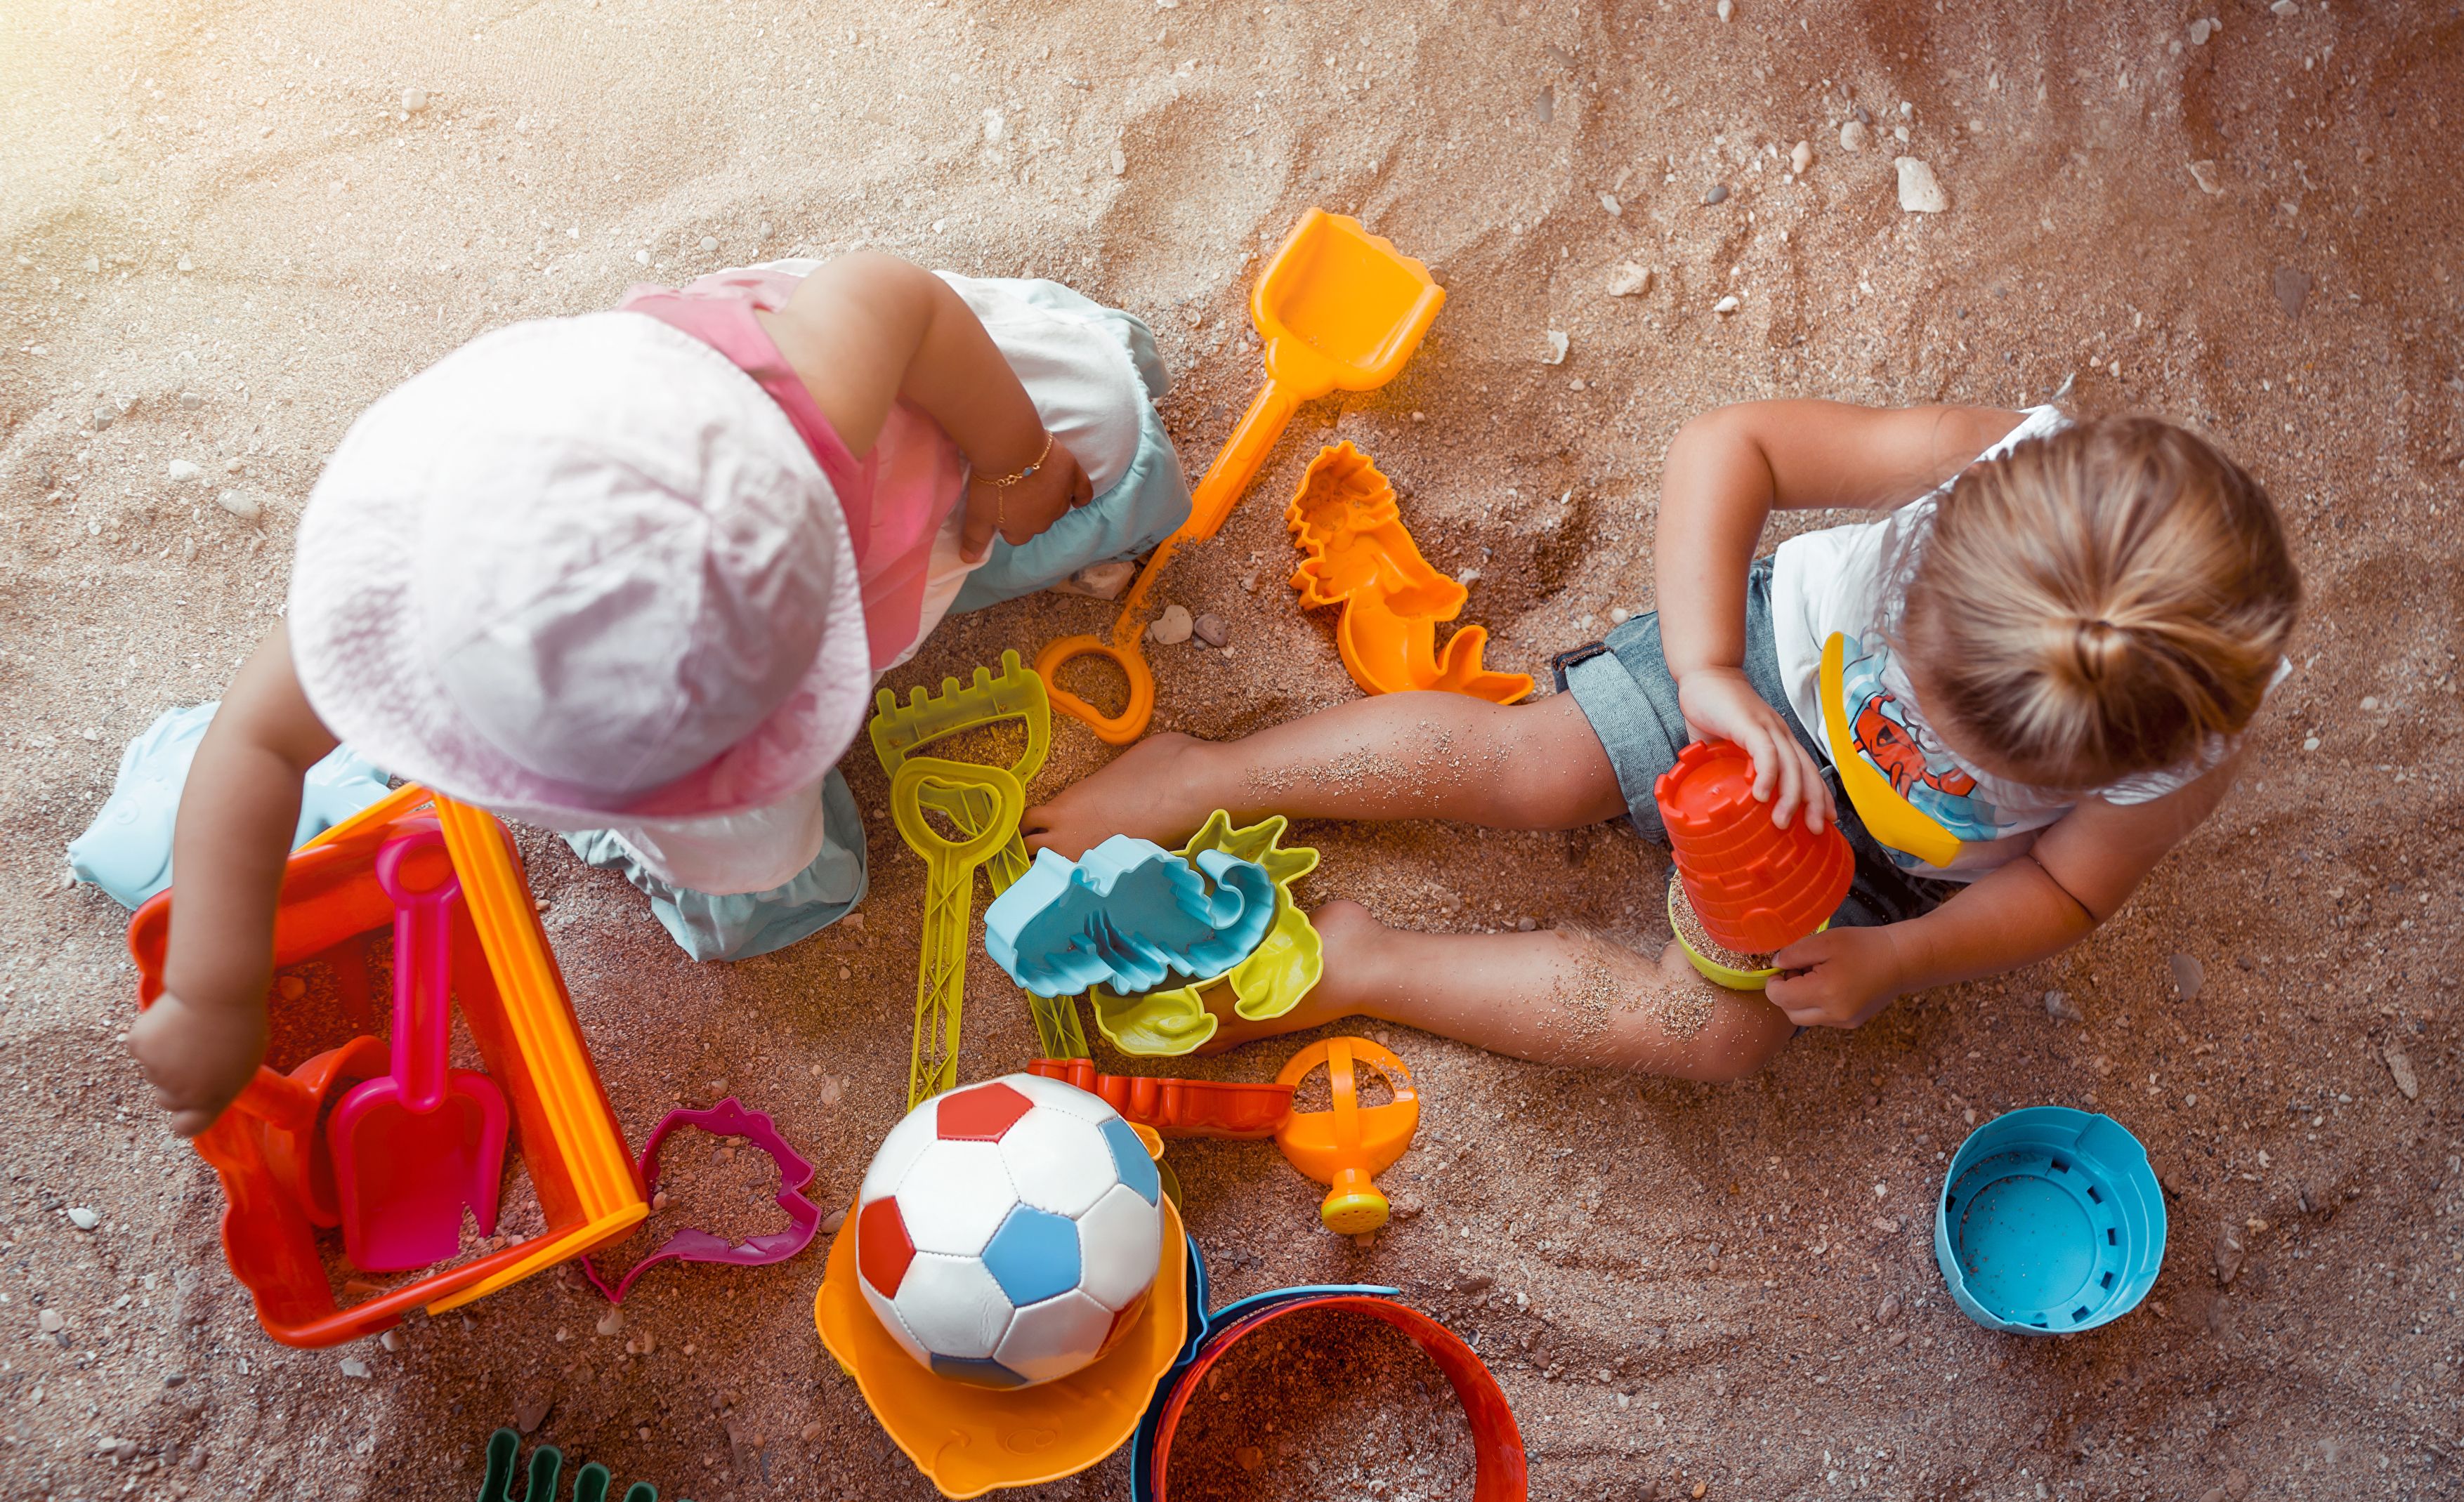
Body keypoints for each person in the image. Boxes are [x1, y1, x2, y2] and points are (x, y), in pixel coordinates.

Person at [131, 251, 1191, 1136]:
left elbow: (898, 298)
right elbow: (256, 746)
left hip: (903, 484)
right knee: (769, 899)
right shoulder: (413, 591)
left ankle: (1051, 415)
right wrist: (211, 989)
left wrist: (1016, 461)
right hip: (834, 558)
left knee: (1111, 435)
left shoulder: (798, 399)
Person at [1023, 401, 2300, 1079]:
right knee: (1532, 763)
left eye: (1994, 756)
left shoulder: (2179, 752)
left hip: (1886, 872)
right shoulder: (1983, 462)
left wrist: (1900, 959)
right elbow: (1728, 448)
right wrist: (1705, 669)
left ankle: (1368, 966)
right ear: (1938, 548)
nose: (1926, 732)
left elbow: (2070, 889)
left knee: (1715, 1039)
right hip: (1762, 674)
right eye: (1921, 677)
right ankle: (1208, 772)